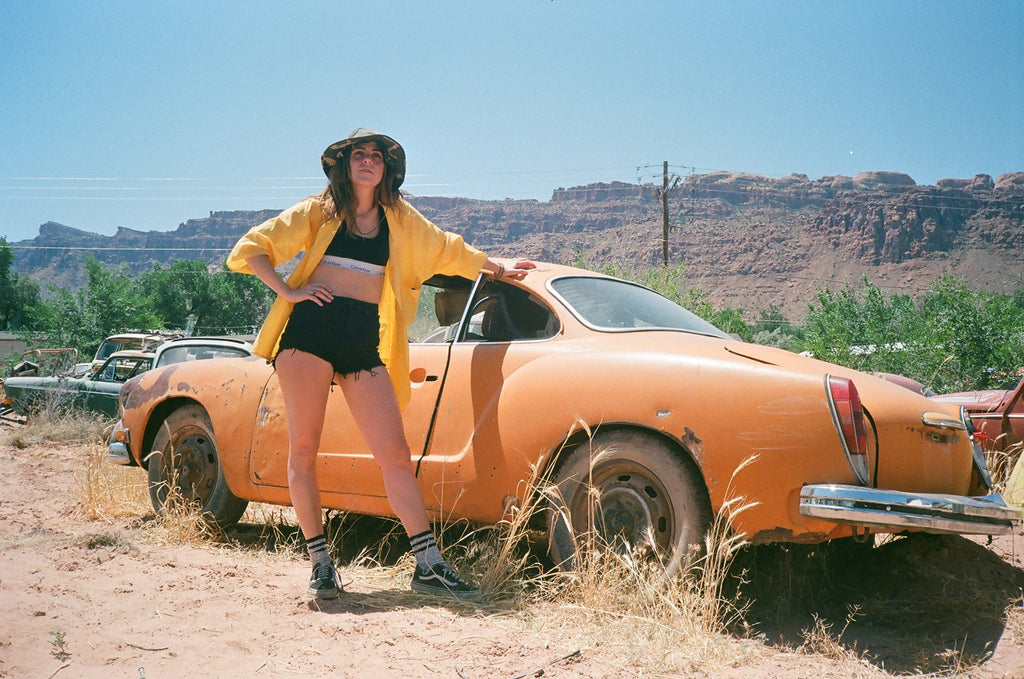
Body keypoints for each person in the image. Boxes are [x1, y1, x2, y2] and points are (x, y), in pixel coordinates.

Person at [226, 128, 534, 601]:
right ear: (345, 164)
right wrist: (289, 291)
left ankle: (428, 565)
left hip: (362, 337)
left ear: (387, 169)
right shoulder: (316, 211)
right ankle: (321, 564)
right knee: (304, 448)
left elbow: (446, 246)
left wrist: (495, 267)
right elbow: (252, 248)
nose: (368, 161)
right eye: (359, 155)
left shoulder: (398, 218)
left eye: (376, 156)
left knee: (394, 454)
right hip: (311, 330)